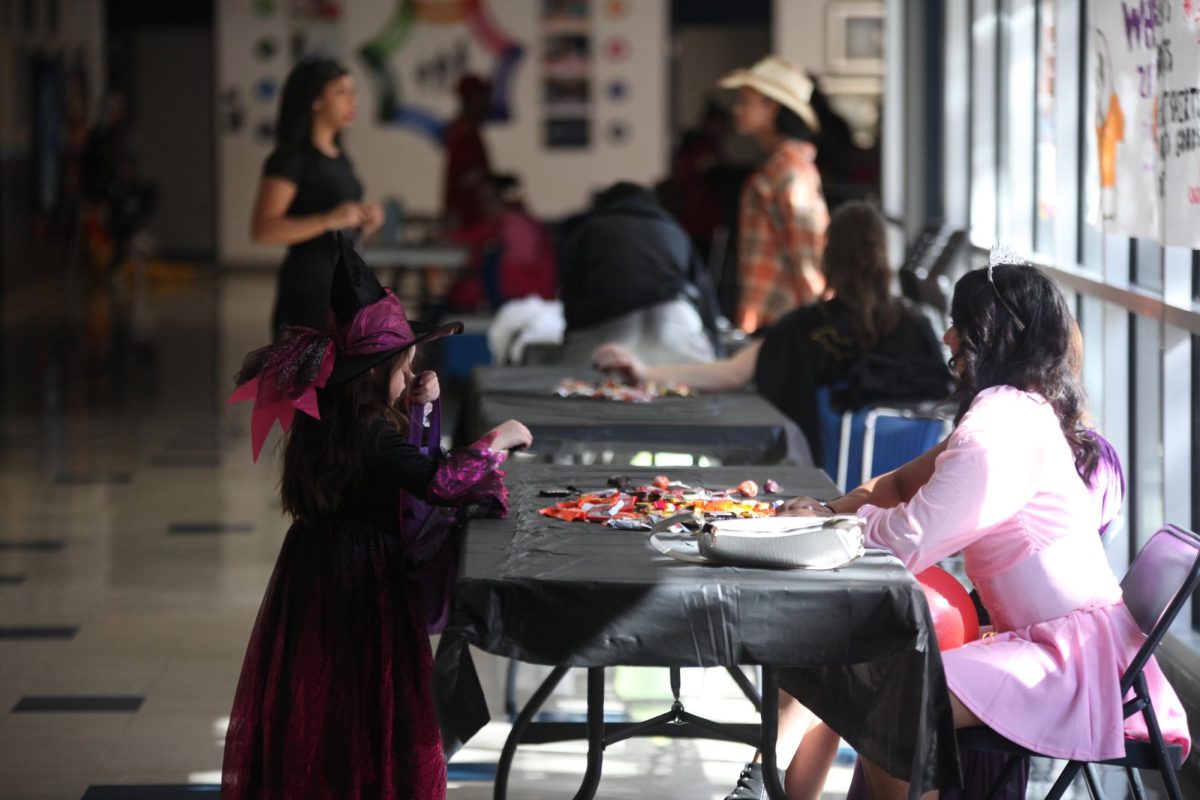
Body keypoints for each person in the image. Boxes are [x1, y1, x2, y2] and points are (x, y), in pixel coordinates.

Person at [781, 254, 1190, 799]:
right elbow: (908, 514)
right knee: (873, 683)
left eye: (960, 321)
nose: (947, 334)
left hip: (1067, 667)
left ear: (992, 335)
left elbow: (912, 539)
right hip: (1061, 647)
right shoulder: (1020, 411)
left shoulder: (1001, 426)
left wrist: (835, 521)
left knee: (888, 699)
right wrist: (841, 515)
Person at [222, 235, 532, 799]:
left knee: (322, 692)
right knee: (368, 694)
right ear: (376, 373)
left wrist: (423, 408)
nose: (412, 372)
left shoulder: (332, 421)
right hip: (362, 580)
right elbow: (437, 483)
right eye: (406, 364)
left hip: (312, 571)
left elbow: (409, 468)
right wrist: (496, 441)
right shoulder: (373, 436)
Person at [593, 201, 950, 469]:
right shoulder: (920, 327)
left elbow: (731, 373)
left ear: (827, 257)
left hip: (828, 487)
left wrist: (644, 371)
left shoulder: (806, 328)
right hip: (907, 490)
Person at [251, 58, 383, 337]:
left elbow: (342, 227)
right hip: (309, 288)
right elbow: (262, 230)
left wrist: (364, 221)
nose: (352, 100)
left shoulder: (339, 156)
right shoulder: (290, 159)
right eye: (340, 92)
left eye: (353, 91)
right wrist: (327, 220)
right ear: (315, 100)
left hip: (343, 284)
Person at [719, 56, 830, 333]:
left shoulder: (788, 168)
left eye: (745, 101)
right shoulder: (778, 164)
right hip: (773, 316)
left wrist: (821, 325)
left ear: (772, 107)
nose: (736, 109)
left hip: (784, 320)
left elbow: (808, 252)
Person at [558, 181, 723, 365]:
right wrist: (718, 351)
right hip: (674, 322)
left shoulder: (588, 229)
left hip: (608, 324)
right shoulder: (673, 229)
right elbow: (704, 293)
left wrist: (570, 339)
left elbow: (571, 291)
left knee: (577, 375)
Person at [446, 173, 558, 311]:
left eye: (487, 200)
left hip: (526, 299)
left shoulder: (517, 225)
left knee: (456, 300)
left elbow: (513, 273)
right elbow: (469, 236)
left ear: (502, 200)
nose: (482, 206)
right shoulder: (502, 222)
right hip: (514, 294)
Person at [442, 73, 493, 231]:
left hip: (470, 218)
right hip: (466, 220)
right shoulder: (463, 134)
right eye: (481, 98)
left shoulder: (466, 131)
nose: (486, 103)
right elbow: (470, 178)